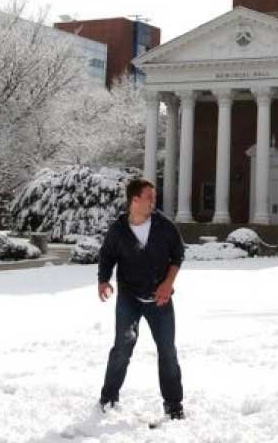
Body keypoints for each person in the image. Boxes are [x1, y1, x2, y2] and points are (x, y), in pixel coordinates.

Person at [97, 178, 186, 421]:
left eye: (153, 197)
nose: (153, 201)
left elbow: (178, 256)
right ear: (134, 200)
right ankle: (109, 397)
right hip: (129, 298)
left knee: (167, 351)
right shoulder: (118, 230)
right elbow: (107, 256)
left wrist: (168, 284)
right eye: (149, 197)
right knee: (122, 347)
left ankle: (174, 404)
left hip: (160, 298)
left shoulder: (164, 226)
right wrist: (103, 280)